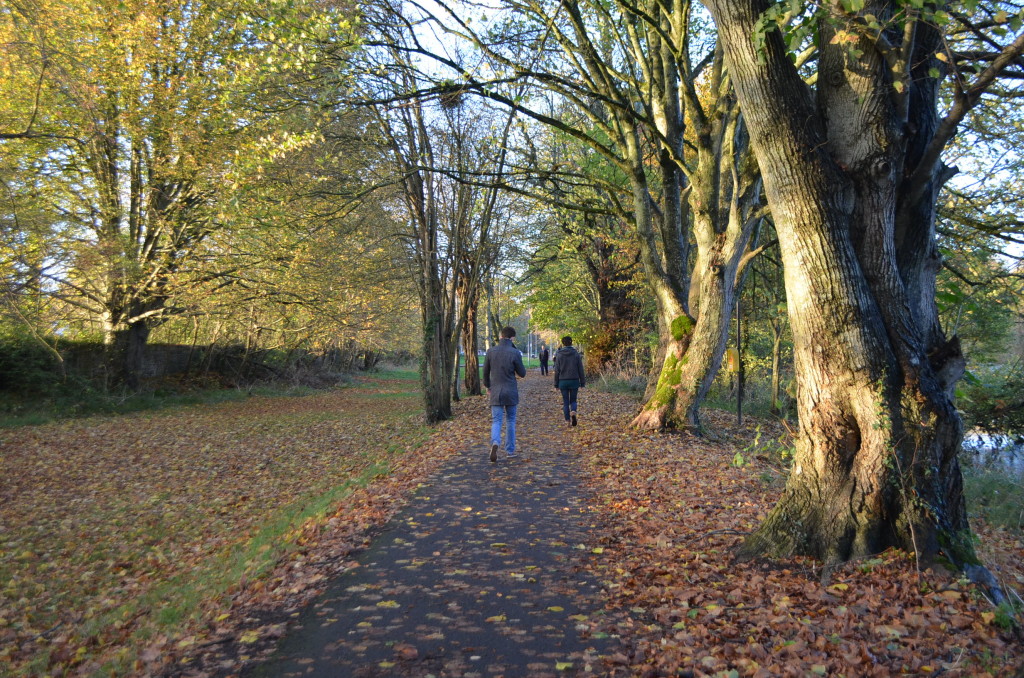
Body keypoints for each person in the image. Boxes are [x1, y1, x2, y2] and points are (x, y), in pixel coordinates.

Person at [482, 326, 526, 461]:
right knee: (511, 420)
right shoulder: (515, 352)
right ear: (512, 338)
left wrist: (488, 386)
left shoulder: (490, 352)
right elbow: (522, 373)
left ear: (501, 336)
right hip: (511, 391)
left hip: (496, 390)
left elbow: (485, 373)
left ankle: (495, 442)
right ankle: (510, 451)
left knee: (496, 420)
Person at [553, 335, 585, 426]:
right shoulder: (576, 354)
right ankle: (573, 411)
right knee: (573, 400)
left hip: (563, 381)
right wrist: (582, 383)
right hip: (574, 380)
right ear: (571, 342)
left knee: (565, 401)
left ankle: (567, 421)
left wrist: (556, 384)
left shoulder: (559, 354)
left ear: (563, 343)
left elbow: (557, 370)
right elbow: (580, 369)